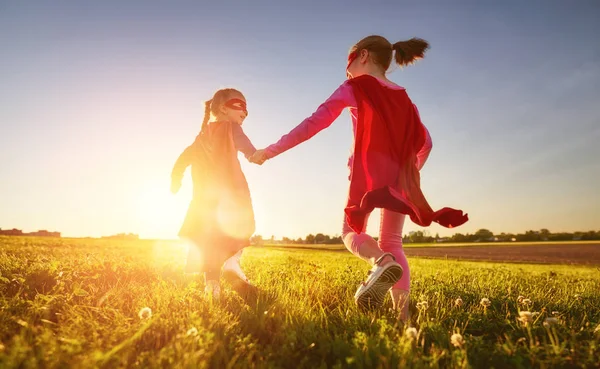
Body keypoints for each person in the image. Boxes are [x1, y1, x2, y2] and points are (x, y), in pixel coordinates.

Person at [250, 36, 468, 318]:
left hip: (367, 176)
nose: (347, 70)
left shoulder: (354, 86)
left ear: (363, 55)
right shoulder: (405, 99)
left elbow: (313, 124)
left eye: (349, 62)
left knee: (350, 232)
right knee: (392, 240)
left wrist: (270, 151)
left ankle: (381, 261)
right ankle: (403, 319)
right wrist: (409, 175)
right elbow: (426, 143)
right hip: (401, 178)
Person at [171, 88, 257, 300]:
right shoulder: (232, 128)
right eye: (240, 105)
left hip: (204, 202)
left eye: (247, 108)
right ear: (222, 109)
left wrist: (176, 178)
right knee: (241, 230)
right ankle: (231, 262)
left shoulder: (202, 135)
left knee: (209, 243)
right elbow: (247, 147)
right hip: (233, 197)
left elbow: (184, 157)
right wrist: (254, 154)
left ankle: (212, 287)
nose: (245, 112)